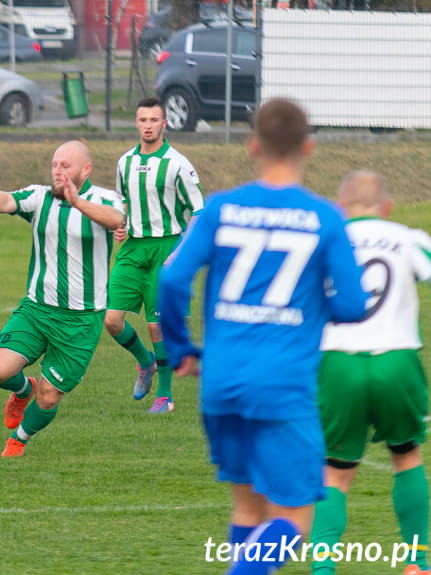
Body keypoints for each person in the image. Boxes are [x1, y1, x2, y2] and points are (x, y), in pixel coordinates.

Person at [158, 99, 367, 573]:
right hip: (283, 385)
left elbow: (171, 280)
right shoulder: (325, 217)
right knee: (295, 517)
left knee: (248, 509)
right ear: (308, 147)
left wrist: (181, 349)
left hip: (222, 381)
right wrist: (312, 308)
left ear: (252, 145)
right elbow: (353, 305)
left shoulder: (220, 208)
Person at [0, 140, 125, 457]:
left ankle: (18, 440)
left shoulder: (104, 198)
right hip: (37, 310)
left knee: (50, 397)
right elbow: (7, 200)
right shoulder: (40, 197)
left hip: (80, 320)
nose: (58, 171)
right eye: (55, 165)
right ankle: (23, 391)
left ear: (85, 169)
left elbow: (117, 220)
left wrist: (78, 203)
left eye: (66, 166)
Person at [311, 171, 431, 575]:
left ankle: (323, 570)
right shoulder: (406, 237)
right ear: (388, 206)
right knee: (407, 456)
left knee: (336, 474)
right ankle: (417, 563)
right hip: (396, 359)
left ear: (340, 208)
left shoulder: (324, 242)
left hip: (337, 362)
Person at [107, 97, 205, 412]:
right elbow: (123, 202)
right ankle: (144, 361)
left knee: (156, 326)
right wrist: (120, 226)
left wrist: (182, 253)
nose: (147, 125)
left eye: (153, 120)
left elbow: (199, 213)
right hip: (133, 248)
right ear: (136, 123)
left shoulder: (178, 164)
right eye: (142, 120)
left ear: (165, 123)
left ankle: (165, 395)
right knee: (110, 320)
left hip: (167, 247)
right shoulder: (125, 162)